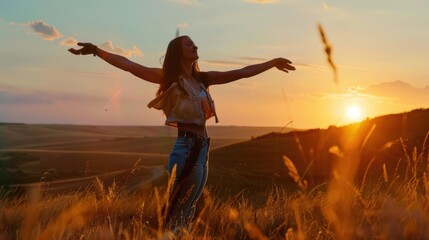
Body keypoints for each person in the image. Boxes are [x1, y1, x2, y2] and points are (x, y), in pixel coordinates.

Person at [68, 35, 295, 232]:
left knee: (189, 208)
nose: (195, 46)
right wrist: (97, 51)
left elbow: (242, 72)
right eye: (189, 44)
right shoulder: (170, 78)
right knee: (179, 211)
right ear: (178, 52)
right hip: (186, 150)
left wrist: (272, 63)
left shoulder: (203, 79)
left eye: (194, 43)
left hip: (203, 149)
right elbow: (129, 65)